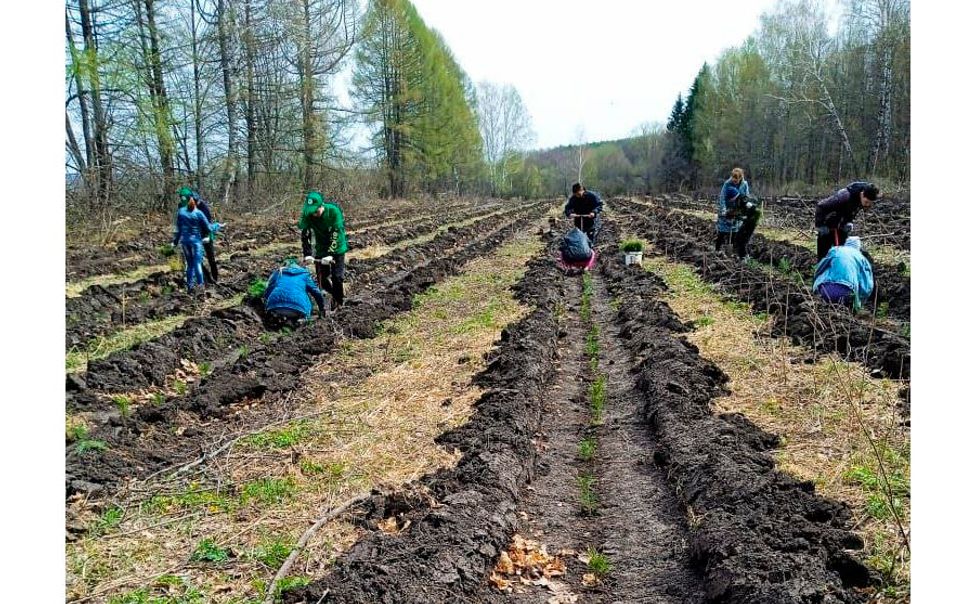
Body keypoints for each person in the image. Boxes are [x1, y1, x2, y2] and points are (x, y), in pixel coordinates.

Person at [299, 190, 348, 310]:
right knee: (322, 280)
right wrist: (307, 254)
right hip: (321, 248)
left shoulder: (333, 211)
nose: (314, 214)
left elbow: (336, 232)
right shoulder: (308, 215)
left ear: (322, 205)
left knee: (337, 278)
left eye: (316, 211)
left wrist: (331, 254)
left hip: (337, 248)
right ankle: (331, 298)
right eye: (312, 212)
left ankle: (339, 303)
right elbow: (305, 235)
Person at [814, 181, 881, 260]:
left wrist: (849, 222)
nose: (867, 205)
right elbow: (821, 206)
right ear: (862, 194)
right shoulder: (844, 196)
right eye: (866, 202)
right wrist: (820, 225)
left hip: (841, 227)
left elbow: (851, 212)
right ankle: (821, 271)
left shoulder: (861, 199)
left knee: (842, 254)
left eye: (870, 203)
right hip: (827, 227)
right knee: (823, 256)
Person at [262, 258, 326, 329]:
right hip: (298, 309)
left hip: (275, 308)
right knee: (305, 297)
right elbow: (316, 292)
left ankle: (279, 320)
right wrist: (321, 309)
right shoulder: (304, 274)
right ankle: (298, 321)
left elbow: (269, 289)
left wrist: (266, 305)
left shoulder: (279, 272)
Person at [813, 237, 874, 311]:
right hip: (847, 293)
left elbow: (820, 267)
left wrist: (814, 283)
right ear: (858, 247)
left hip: (825, 290)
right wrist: (859, 302)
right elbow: (867, 286)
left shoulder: (835, 250)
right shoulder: (862, 259)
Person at [178, 186, 220, 283]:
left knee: (211, 258)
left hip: (205, 233)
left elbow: (208, 224)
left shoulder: (203, 207)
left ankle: (215, 278)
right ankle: (207, 279)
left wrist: (208, 237)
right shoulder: (182, 206)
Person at [172, 196, 213, 293]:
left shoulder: (181, 212)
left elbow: (178, 229)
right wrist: (217, 226)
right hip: (196, 242)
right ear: (195, 203)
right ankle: (200, 285)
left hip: (185, 242)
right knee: (197, 263)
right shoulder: (199, 213)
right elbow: (208, 228)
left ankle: (189, 287)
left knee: (189, 265)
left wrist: (175, 242)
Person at [715, 168, 750, 252]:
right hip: (727, 209)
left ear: (740, 178)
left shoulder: (744, 184)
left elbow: (746, 197)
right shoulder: (727, 183)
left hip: (737, 209)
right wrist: (723, 209)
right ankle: (717, 250)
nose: (734, 182)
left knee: (735, 231)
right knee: (722, 231)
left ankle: (733, 252)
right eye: (733, 180)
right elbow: (722, 197)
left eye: (736, 180)